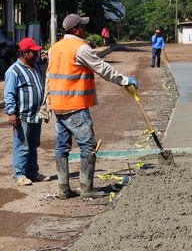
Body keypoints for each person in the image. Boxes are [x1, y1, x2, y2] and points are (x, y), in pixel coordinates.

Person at [47, 14, 138, 199]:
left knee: (61, 147)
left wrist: (47, 102)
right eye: (82, 26)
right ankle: (86, 189)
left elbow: (49, 76)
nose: (85, 29)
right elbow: (102, 68)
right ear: (76, 29)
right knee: (88, 146)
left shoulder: (54, 48)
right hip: (75, 105)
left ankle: (64, 190)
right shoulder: (80, 48)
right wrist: (124, 80)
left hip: (58, 105)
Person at [4, 38, 49, 186]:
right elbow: (9, 94)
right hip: (22, 116)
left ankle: (32, 172)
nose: (36, 54)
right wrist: (11, 113)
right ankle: (19, 175)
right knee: (22, 146)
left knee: (32, 146)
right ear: (25, 52)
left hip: (36, 115)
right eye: (33, 52)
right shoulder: (13, 71)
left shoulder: (35, 67)